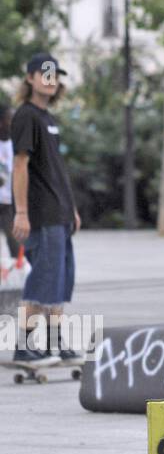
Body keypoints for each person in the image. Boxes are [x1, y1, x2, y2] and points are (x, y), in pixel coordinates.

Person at [10, 53, 81, 366]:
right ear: (30, 78)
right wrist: (22, 212)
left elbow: (56, 170)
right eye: (45, 74)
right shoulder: (26, 116)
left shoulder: (48, 118)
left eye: (55, 75)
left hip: (60, 212)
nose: (51, 80)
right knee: (43, 279)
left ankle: (56, 342)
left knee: (60, 281)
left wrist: (72, 209)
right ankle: (24, 346)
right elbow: (19, 165)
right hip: (41, 214)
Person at [0, 101, 17, 265]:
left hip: (9, 203)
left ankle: (18, 280)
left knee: (15, 242)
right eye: (10, 119)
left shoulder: (17, 145)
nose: (13, 123)